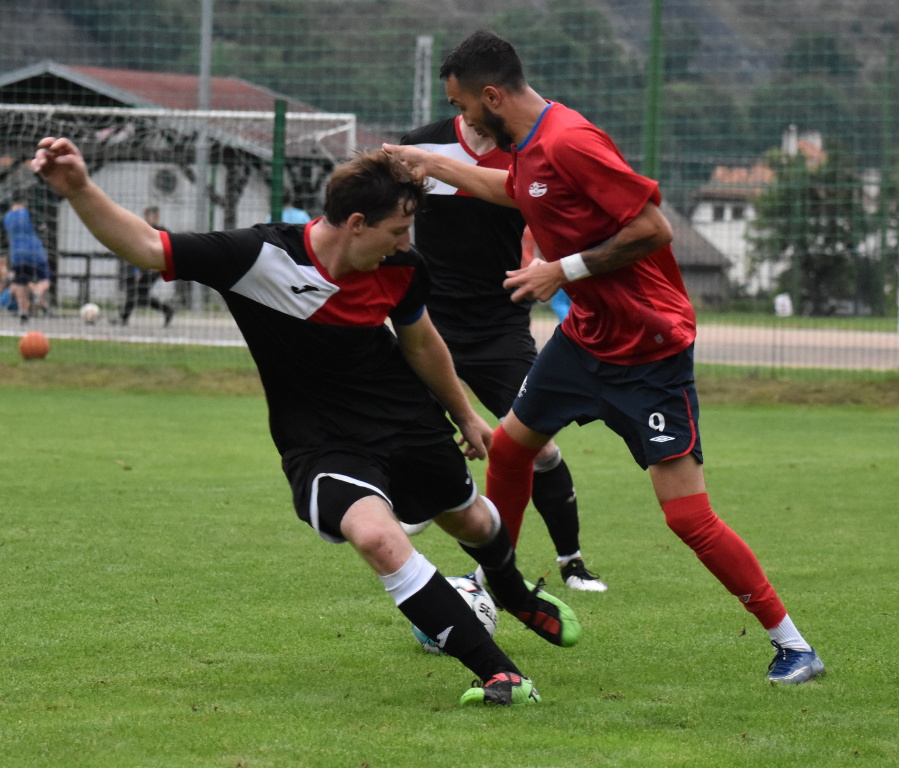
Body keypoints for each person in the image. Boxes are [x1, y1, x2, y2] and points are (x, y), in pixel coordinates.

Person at [32, 136, 583, 707]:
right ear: (355, 222)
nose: (406, 242)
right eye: (398, 230)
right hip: (321, 441)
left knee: (471, 522)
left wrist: (465, 414)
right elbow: (147, 245)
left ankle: (514, 593)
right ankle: (501, 674)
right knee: (376, 537)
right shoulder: (258, 257)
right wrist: (78, 188)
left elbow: (421, 343)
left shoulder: (401, 267)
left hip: (406, 420)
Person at [384, 30, 825, 685]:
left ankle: (793, 647)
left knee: (687, 519)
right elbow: (513, 193)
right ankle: (493, 586)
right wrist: (427, 162)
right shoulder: (528, 148)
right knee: (509, 450)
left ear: (492, 95)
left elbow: (652, 229)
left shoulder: (569, 141)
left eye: (464, 106)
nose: (463, 120)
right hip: (584, 340)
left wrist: (557, 271)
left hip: (649, 349)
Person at [400, 116, 606, 592]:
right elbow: (391, 217)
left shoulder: (527, 153)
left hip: (500, 325)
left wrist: (551, 264)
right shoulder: (421, 144)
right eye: (457, 100)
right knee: (411, 429)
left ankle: (571, 562)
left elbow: (560, 222)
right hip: (431, 324)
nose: (465, 107)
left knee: (538, 446)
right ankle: (438, 501)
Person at [117, 206, 175, 326]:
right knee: (135, 291)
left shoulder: (162, 231)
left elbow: (171, 249)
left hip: (154, 268)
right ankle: (124, 317)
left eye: (152, 215)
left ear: (156, 216)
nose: (149, 217)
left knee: (139, 293)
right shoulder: (143, 229)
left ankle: (124, 317)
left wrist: (159, 266)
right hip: (140, 266)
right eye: (147, 215)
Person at [2, 192, 52, 323]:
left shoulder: (6, 217)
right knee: (45, 279)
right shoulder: (29, 213)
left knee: (20, 283)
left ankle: (23, 311)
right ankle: (37, 292)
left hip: (17, 254)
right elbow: (43, 228)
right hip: (34, 252)